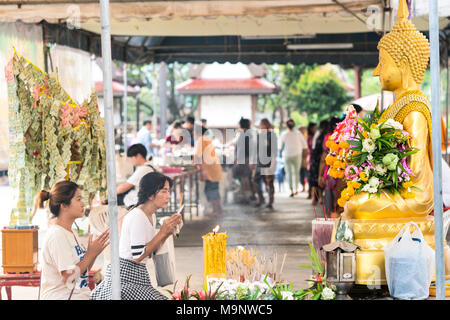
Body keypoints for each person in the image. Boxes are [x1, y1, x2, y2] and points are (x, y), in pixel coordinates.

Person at [91, 172, 182, 300]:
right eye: (164, 191)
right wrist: (162, 232)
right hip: (124, 278)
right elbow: (138, 255)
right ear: (150, 194)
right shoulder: (138, 216)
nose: (168, 196)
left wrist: (167, 232)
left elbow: (150, 251)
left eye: (168, 191)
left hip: (138, 275)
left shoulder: (151, 215)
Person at [37, 181, 110, 300]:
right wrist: (90, 254)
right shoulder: (57, 235)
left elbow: (82, 269)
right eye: (78, 199)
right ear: (64, 205)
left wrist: (94, 253)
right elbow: (68, 276)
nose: (83, 204)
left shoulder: (71, 232)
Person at [195, 126, 224, 217]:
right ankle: (219, 210)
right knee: (213, 190)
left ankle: (216, 211)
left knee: (211, 190)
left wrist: (201, 170)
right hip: (213, 169)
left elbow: (198, 156)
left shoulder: (201, 139)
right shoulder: (206, 139)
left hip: (210, 170)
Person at [116, 143, 156, 207]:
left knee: (112, 199)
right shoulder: (149, 166)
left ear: (138, 156)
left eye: (132, 158)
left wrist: (109, 194)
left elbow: (124, 187)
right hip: (143, 198)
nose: (131, 160)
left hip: (137, 201)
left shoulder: (144, 169)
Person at [229, 117, 257, 202]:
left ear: (241, 124)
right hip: (249, 158)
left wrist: (238, 160)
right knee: (247, 177)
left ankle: (247, 196)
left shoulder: (243, 134)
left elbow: (241, 148)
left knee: (245, 178)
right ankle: (250, 195)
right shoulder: (251, 133)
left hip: (245, 159)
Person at [253, 118, 277, 210]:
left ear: (266, 125)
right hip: (259, 162)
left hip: (269, 162)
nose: (261, 126)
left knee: (269, 182)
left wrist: (273, 163)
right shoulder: (259, 136)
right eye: (260, 124)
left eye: (262, 124)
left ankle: (271, 201)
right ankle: (261, 199)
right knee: (255, 180)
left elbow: (274, 151)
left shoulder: (272, 135)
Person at [280, 119, 308, 197]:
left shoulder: (287, 134)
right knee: (293, 173)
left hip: (292, 155)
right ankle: (293, 189)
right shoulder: (295, 134)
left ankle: (293, 189)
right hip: (291, 155)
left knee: (292, 173)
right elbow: (305, 146)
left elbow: (280, 146)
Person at [309, 120, 329, 206]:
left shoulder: (318, 135)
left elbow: (313, 147)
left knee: (315, 180)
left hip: (315, 158)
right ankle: (319, 197)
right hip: (321, 159)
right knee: (320, 178)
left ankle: (315, 198)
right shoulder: (327, 135)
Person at [306, 122, 317, 199]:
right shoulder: (310, 137)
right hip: (311, 158)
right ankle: (311, 193)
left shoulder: (317, 136)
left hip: (315, 157)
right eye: (314, 128)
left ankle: (313, 194)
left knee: (313, 176)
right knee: (311, 175)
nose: (316, 129)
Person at [298, 125, 308, 193]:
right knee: (301, 174)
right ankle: (303, 187)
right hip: (300, 159)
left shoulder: (307, 138)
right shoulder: (297, 138)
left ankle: (306, 187)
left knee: (306, 173)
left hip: (306, 159)